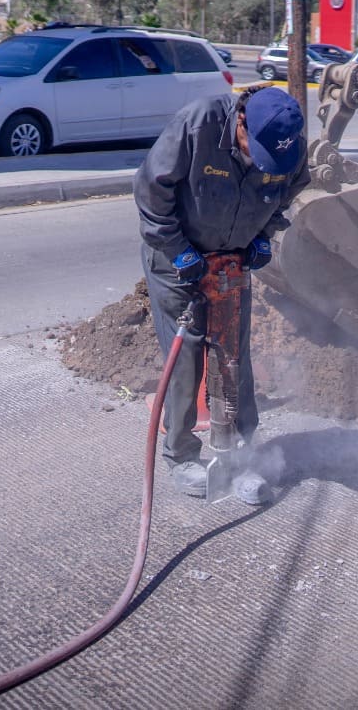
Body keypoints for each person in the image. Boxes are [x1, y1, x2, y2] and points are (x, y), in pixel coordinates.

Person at [134, 84, 310, 505]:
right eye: (254, 149)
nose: (257, 162)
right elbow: (151, 193)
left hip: (232, 259)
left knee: (234, 353)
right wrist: (179, 254)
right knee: (187, 354)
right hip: (176, 254)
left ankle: (244, 453)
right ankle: (181, 454)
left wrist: (264, 237)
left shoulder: (289, 147)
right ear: (242, 122)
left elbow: (285, 196)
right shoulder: (198, 125)